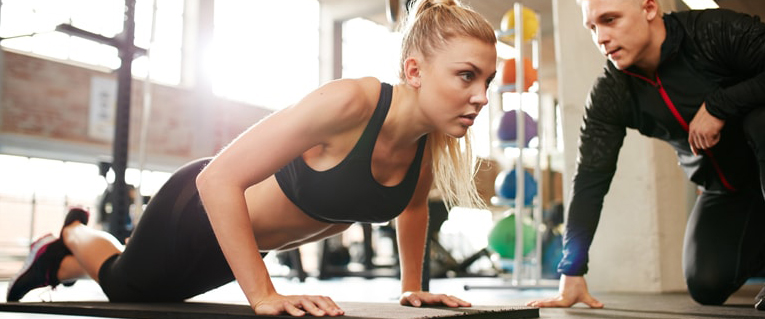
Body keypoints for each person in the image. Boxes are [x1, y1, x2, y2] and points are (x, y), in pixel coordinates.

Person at [5, 0, 498, 316]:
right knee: (122, 285)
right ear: (414, 69)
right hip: (198, 213)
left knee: (151, 295)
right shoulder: (352, 103)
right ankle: (72, 231)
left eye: (488, 82)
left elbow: (412, 209)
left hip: (240, 247)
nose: (481, 95)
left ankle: (55, 261)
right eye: (466, 76)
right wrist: (263, 294)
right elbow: (218, 179)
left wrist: (412, 287)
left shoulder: (427, 146)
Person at [527, 0, 765, 310]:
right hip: (726, 191)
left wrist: (722, 104)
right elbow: (589, 180)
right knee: (706, 284)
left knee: (760, 120)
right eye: (593, 27)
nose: (601, 37)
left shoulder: (712, 33)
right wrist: (571, 270)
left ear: (649, 8)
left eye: (610, 19)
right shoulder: (612, 93)